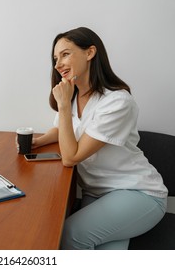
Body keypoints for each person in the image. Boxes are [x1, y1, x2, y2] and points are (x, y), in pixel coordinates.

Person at [32, 27, 168, 249]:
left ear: (90, 52)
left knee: (69, 235)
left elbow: (70, 156)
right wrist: (37, 141)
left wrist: (64, 105)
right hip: (97, 192)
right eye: (55, 58)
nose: (57, 65)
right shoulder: (75, 96)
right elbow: (60, 130)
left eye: (65, 54)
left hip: (136, 192)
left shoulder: (117, 102)